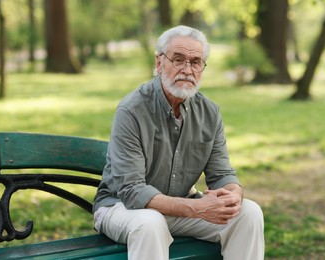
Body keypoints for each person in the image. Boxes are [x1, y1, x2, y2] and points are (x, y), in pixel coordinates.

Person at [93, 25, 265, 260]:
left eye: (195, 62)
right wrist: (198, 208)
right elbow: (132, 192)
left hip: (180, 209)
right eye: (178, 59)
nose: (187, 69)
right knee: (150, 222)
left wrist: (233, 196)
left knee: (249, 213)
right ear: (159, 62)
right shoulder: (131, 110)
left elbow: (221, 173)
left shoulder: (210, 112)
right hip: (121, 208)